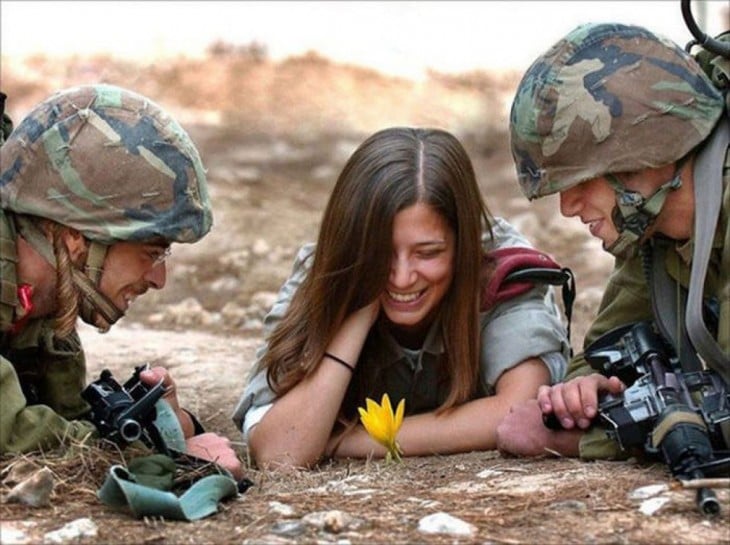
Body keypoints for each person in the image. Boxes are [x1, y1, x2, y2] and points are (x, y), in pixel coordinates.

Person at [232, 126, 571, 469]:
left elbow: (518, 411)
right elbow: (281, 452)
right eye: (381, 253)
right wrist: (359, 301)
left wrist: (347, 441)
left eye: (428, 253)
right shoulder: (325, 271)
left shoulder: (499, 268)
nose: (402, 276)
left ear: (463, 243)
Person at [496, 22, 728, 460]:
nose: (567, 206)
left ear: (645, 159)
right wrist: (584, 395)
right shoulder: (656, 231)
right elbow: (603, 350)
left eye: (581, 179)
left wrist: (586, 437)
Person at [0, 84, 242, 479]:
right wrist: (154, 455)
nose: (159, 279)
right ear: (76, 237)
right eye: (151, 252)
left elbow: (61, 418)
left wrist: (156, 426)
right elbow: (10, 434)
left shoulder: (43, 301)